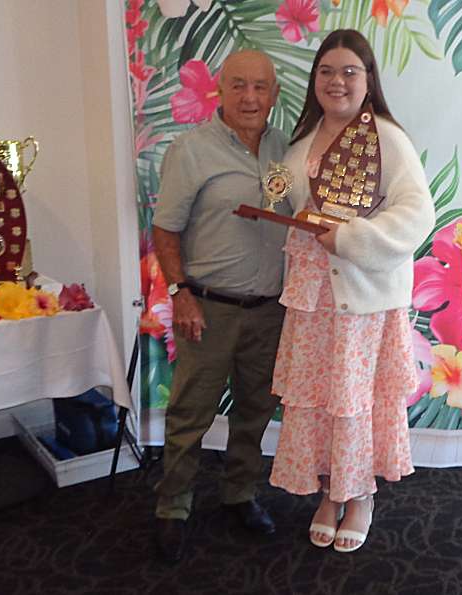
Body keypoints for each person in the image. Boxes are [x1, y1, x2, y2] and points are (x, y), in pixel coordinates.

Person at [269, 29, 435, 553]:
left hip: (362, 301)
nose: (336, 81)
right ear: (314, 79)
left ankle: (359, 494)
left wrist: (349, 238)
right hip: (311, 297)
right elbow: (291, 204)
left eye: (349, 72)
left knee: (354, 401)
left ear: (368, 80)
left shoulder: (387, 137)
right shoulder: (301, 142)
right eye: (326, 71)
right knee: (321, 401)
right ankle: (329, 491)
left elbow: (417, 214)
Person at [152, 49, 290, 563]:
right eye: (238, 85)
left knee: (255, 410)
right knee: (190, 413)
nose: (249, 97)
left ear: (274, 94)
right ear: (220, 90)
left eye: (260, 86)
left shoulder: (288, 149)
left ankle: (240, 494)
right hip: (207, 309)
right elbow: (165, 230)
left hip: (270, 311)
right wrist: (179, 293)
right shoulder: (190, 150)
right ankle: (173, 507)